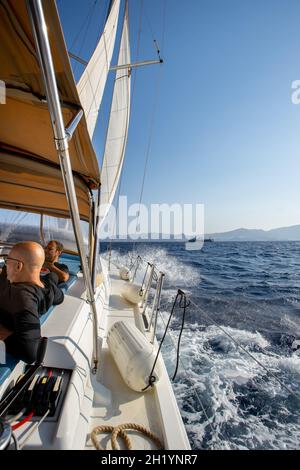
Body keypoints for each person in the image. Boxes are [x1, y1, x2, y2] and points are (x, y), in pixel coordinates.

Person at [0, 241, 64, 363]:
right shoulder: (48, 289)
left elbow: (30, 353)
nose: (6, 264)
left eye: (8, 260)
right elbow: (60, 297)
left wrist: (5, 335)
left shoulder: (21, 297)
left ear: (19, 266)